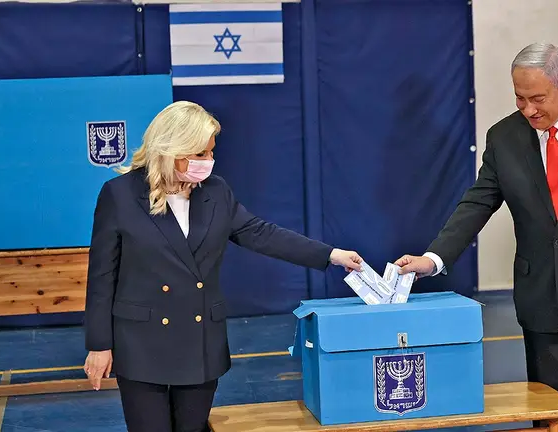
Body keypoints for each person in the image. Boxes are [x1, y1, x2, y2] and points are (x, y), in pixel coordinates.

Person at [395, 43, 558, 432]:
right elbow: (477, 202)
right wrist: (433, 259)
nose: (529, 110)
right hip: (542, 301)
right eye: (520, 98)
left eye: (537, 98)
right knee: (551, 419)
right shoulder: (504, 137)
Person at [82, 101, 364, 432]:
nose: (208, 161)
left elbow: (261, 234)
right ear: (172, 149)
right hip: (141, 342)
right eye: (200, 153)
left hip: (199, 340)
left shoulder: (216, 192)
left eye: (211, 152)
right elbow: (102, 276)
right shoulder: (119, 195)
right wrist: (99, 345)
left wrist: (331, 255)